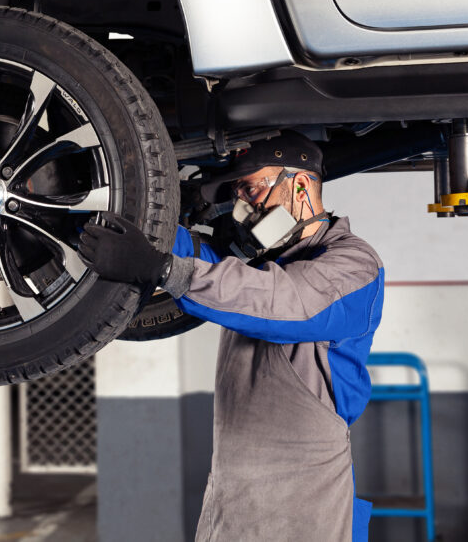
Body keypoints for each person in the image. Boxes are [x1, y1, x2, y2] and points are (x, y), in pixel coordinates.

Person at [79, 131, 384, 542]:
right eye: (240, 194)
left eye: (253, 189)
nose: (246, 208)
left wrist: (163, 270)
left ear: (299, 185)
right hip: (232, 499)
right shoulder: (259, 265)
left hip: (305, 504)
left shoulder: (354, 264)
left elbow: (282, 302)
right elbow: (200, 262)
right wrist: (113, 217)